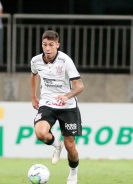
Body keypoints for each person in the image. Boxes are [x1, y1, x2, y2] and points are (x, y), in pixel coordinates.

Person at [30, 30, 85, 184]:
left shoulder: (65, 61)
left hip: (67, 106)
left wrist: (66, 96)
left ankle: (73, 174)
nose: (47, 48)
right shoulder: (36, 61)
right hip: (47, 103)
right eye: (44, 44)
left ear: (57, 45)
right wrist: (33, 96)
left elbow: (80, 86)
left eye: (51, 45)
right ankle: (56, 145)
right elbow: (34, 74)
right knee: (40, 133)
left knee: (70, 145)